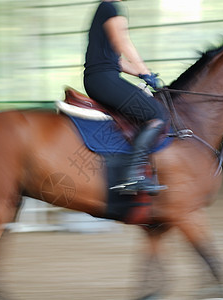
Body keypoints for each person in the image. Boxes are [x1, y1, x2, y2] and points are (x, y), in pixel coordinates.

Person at [83, 0, 167, 194]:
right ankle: (133, 176)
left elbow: (116, 60)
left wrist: (143, 74)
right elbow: (123, 42)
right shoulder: (111, 8)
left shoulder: (103, 9)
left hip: (101, 77)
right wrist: (143, 69)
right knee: (156, 114)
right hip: (103, 79)